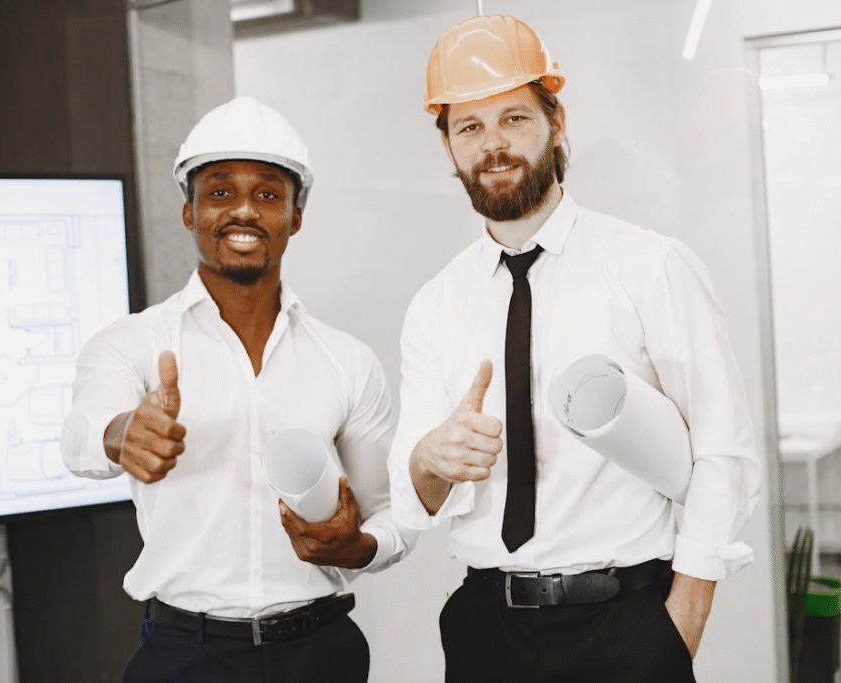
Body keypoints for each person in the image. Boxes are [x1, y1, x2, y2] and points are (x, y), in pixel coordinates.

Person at [388, 14, 761, 683]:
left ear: (556, 123)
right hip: (485, 629)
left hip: (625, 623)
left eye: (514, 118)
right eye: (469, 126)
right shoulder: (435, 304)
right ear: (447, 146)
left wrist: (683, 620)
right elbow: (414, 493)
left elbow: (722, 448)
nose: (493, 144)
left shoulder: (649, 266)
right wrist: (432, 454)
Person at [62, 96, 414, 683]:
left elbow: (390, 513)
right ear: (189, 212)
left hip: (320, 652)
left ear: (295, 216)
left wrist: (355, 548)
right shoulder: (131, 343)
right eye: (220, 192)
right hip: (183, 657)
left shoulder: (347, 360)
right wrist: (122, 432)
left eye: (268, 193)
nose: (244, 210)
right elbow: (79, 435)